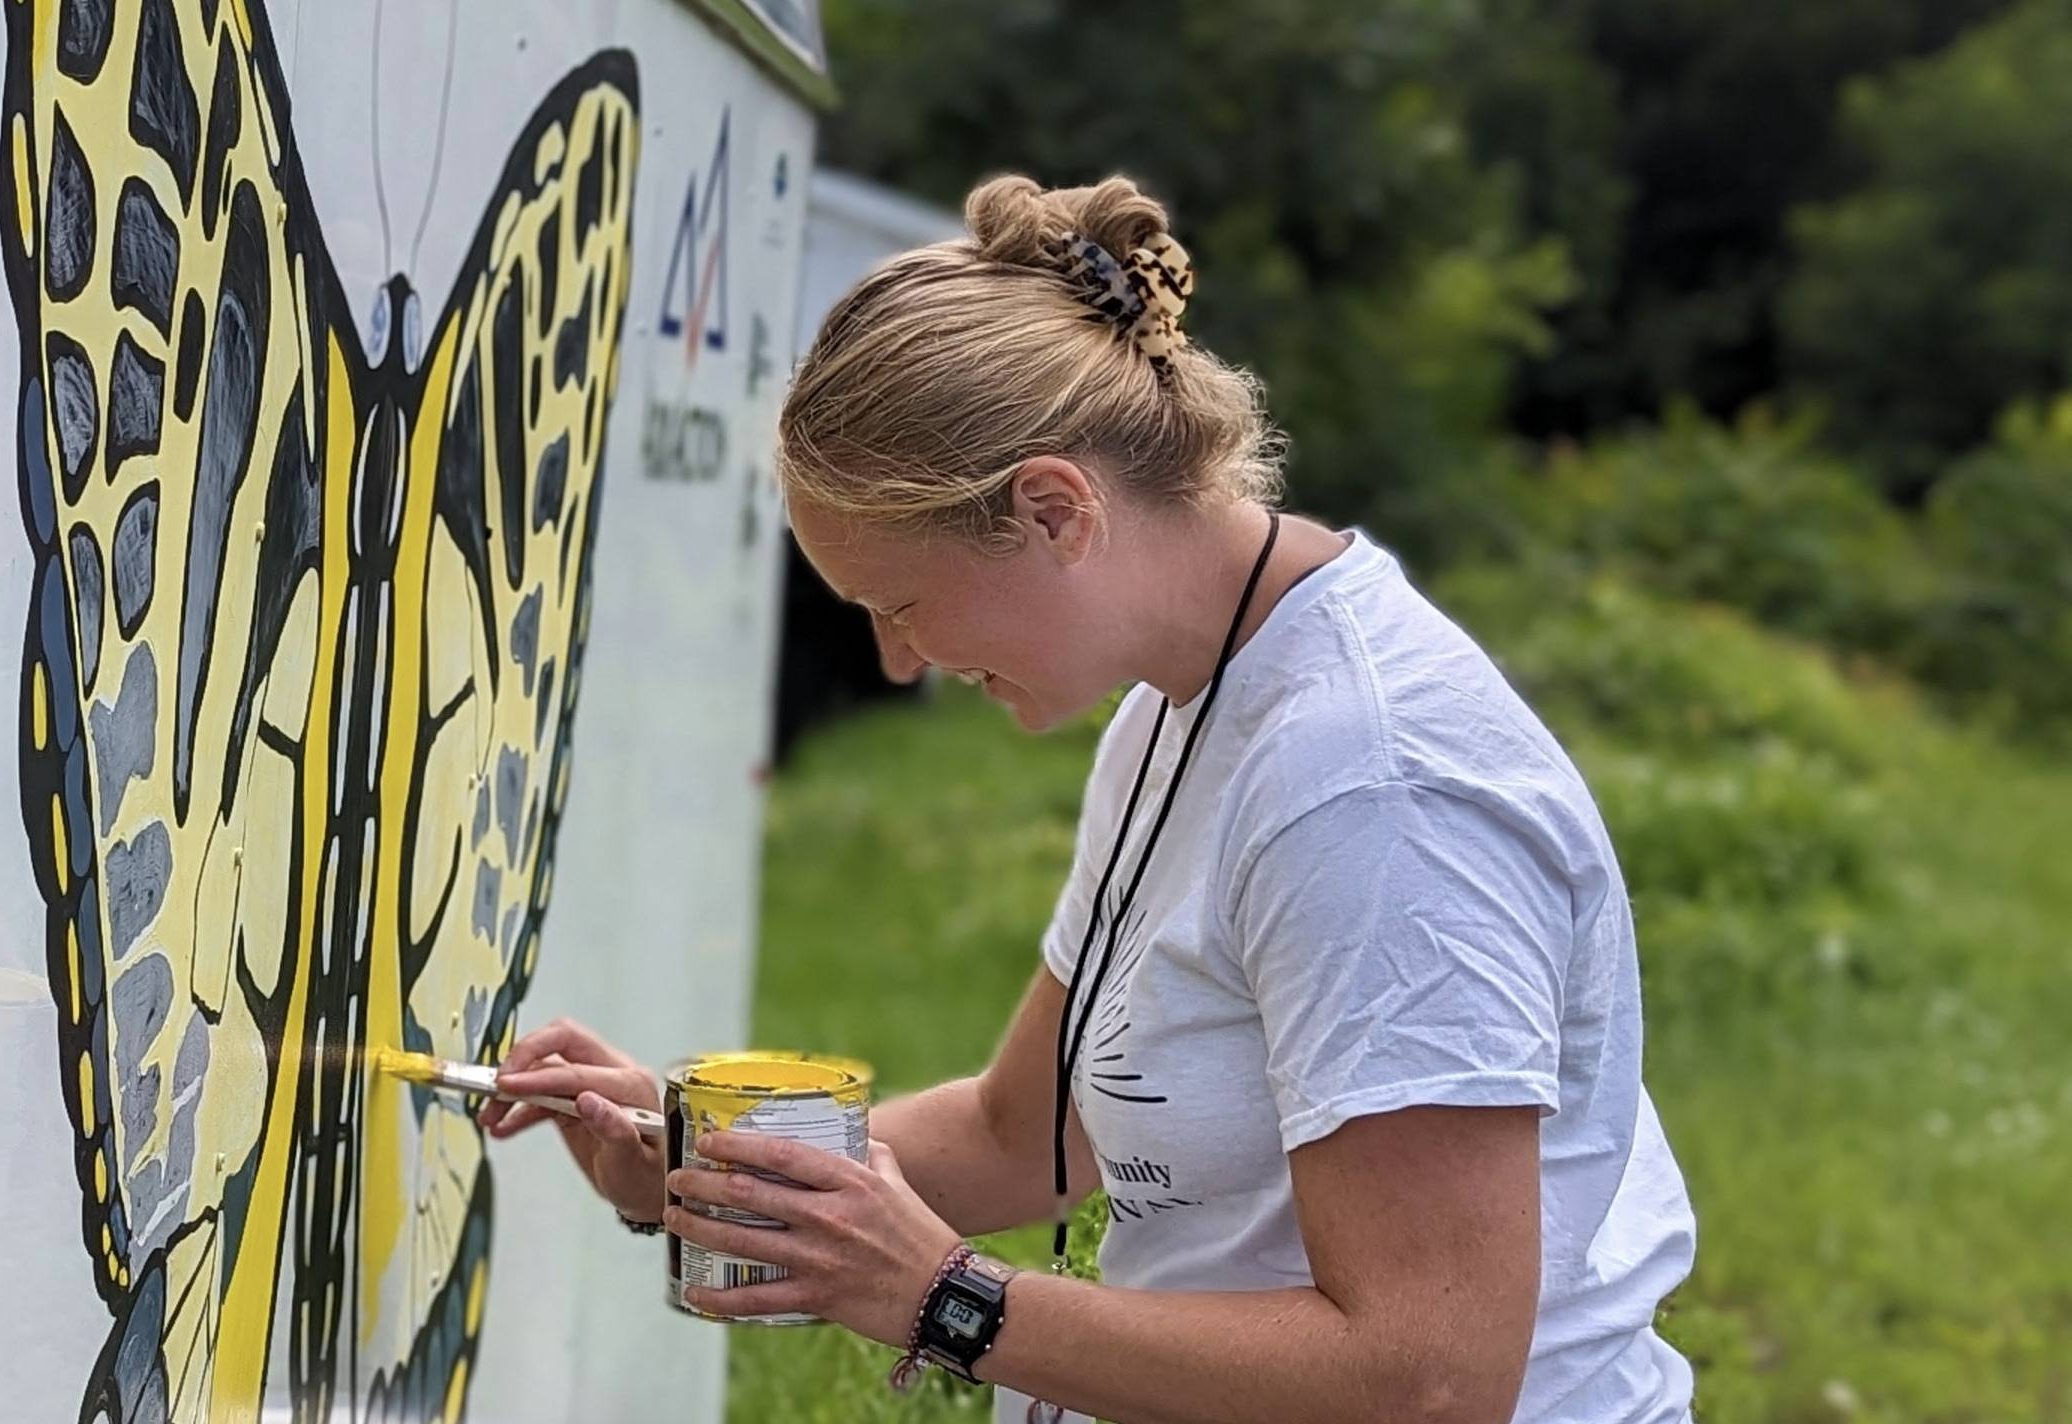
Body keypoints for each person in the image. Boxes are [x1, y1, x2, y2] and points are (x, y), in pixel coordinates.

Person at [481, 175, 1697, 1424]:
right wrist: (705, 1168)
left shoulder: (1372, 794)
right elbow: (1030, 1135)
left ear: (1055, 510)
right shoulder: (1182, 704)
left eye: (900, 603)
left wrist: (945, 1297)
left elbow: (1428, 1378)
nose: (901, 661)